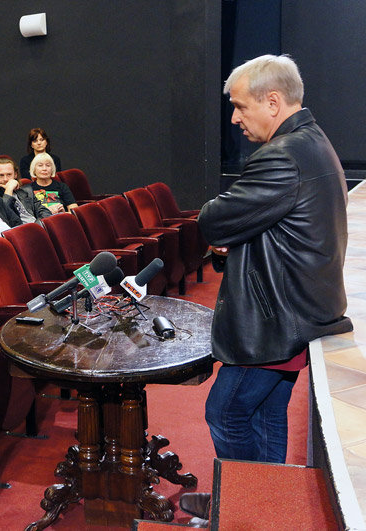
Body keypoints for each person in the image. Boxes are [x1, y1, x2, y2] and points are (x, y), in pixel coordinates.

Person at [180, 54, 353, 527]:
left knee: (227, 411)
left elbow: (213, 219)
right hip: (299, 311)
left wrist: (225, 225)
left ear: (272, 101)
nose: (234, 118)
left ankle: (243, 513)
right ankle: (268, 507)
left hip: (274, 319)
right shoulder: (313, 142)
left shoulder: (282, 154)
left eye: (239, 106)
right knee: (267, 415)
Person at [0, 157, 52, 224]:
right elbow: (5, 218)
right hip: (17, 231)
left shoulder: (26, 191)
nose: (5, 179)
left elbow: (45, 212)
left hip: (36, 227)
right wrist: (9, 190)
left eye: (9, 174)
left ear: (15, 175)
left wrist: (37, 225)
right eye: (1, 175)